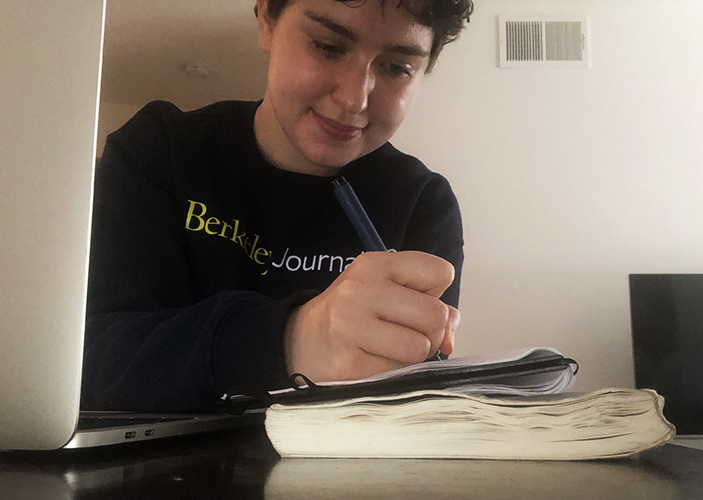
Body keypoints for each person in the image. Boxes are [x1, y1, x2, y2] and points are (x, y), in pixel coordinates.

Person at [82, 0, 473, 412]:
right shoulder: (158, 151)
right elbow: (88, 360)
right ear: (267, 20)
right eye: (327, 45)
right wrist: (290, 340)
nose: (354, 99)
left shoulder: (423, 203)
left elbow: (417, 393)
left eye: (396, 68)